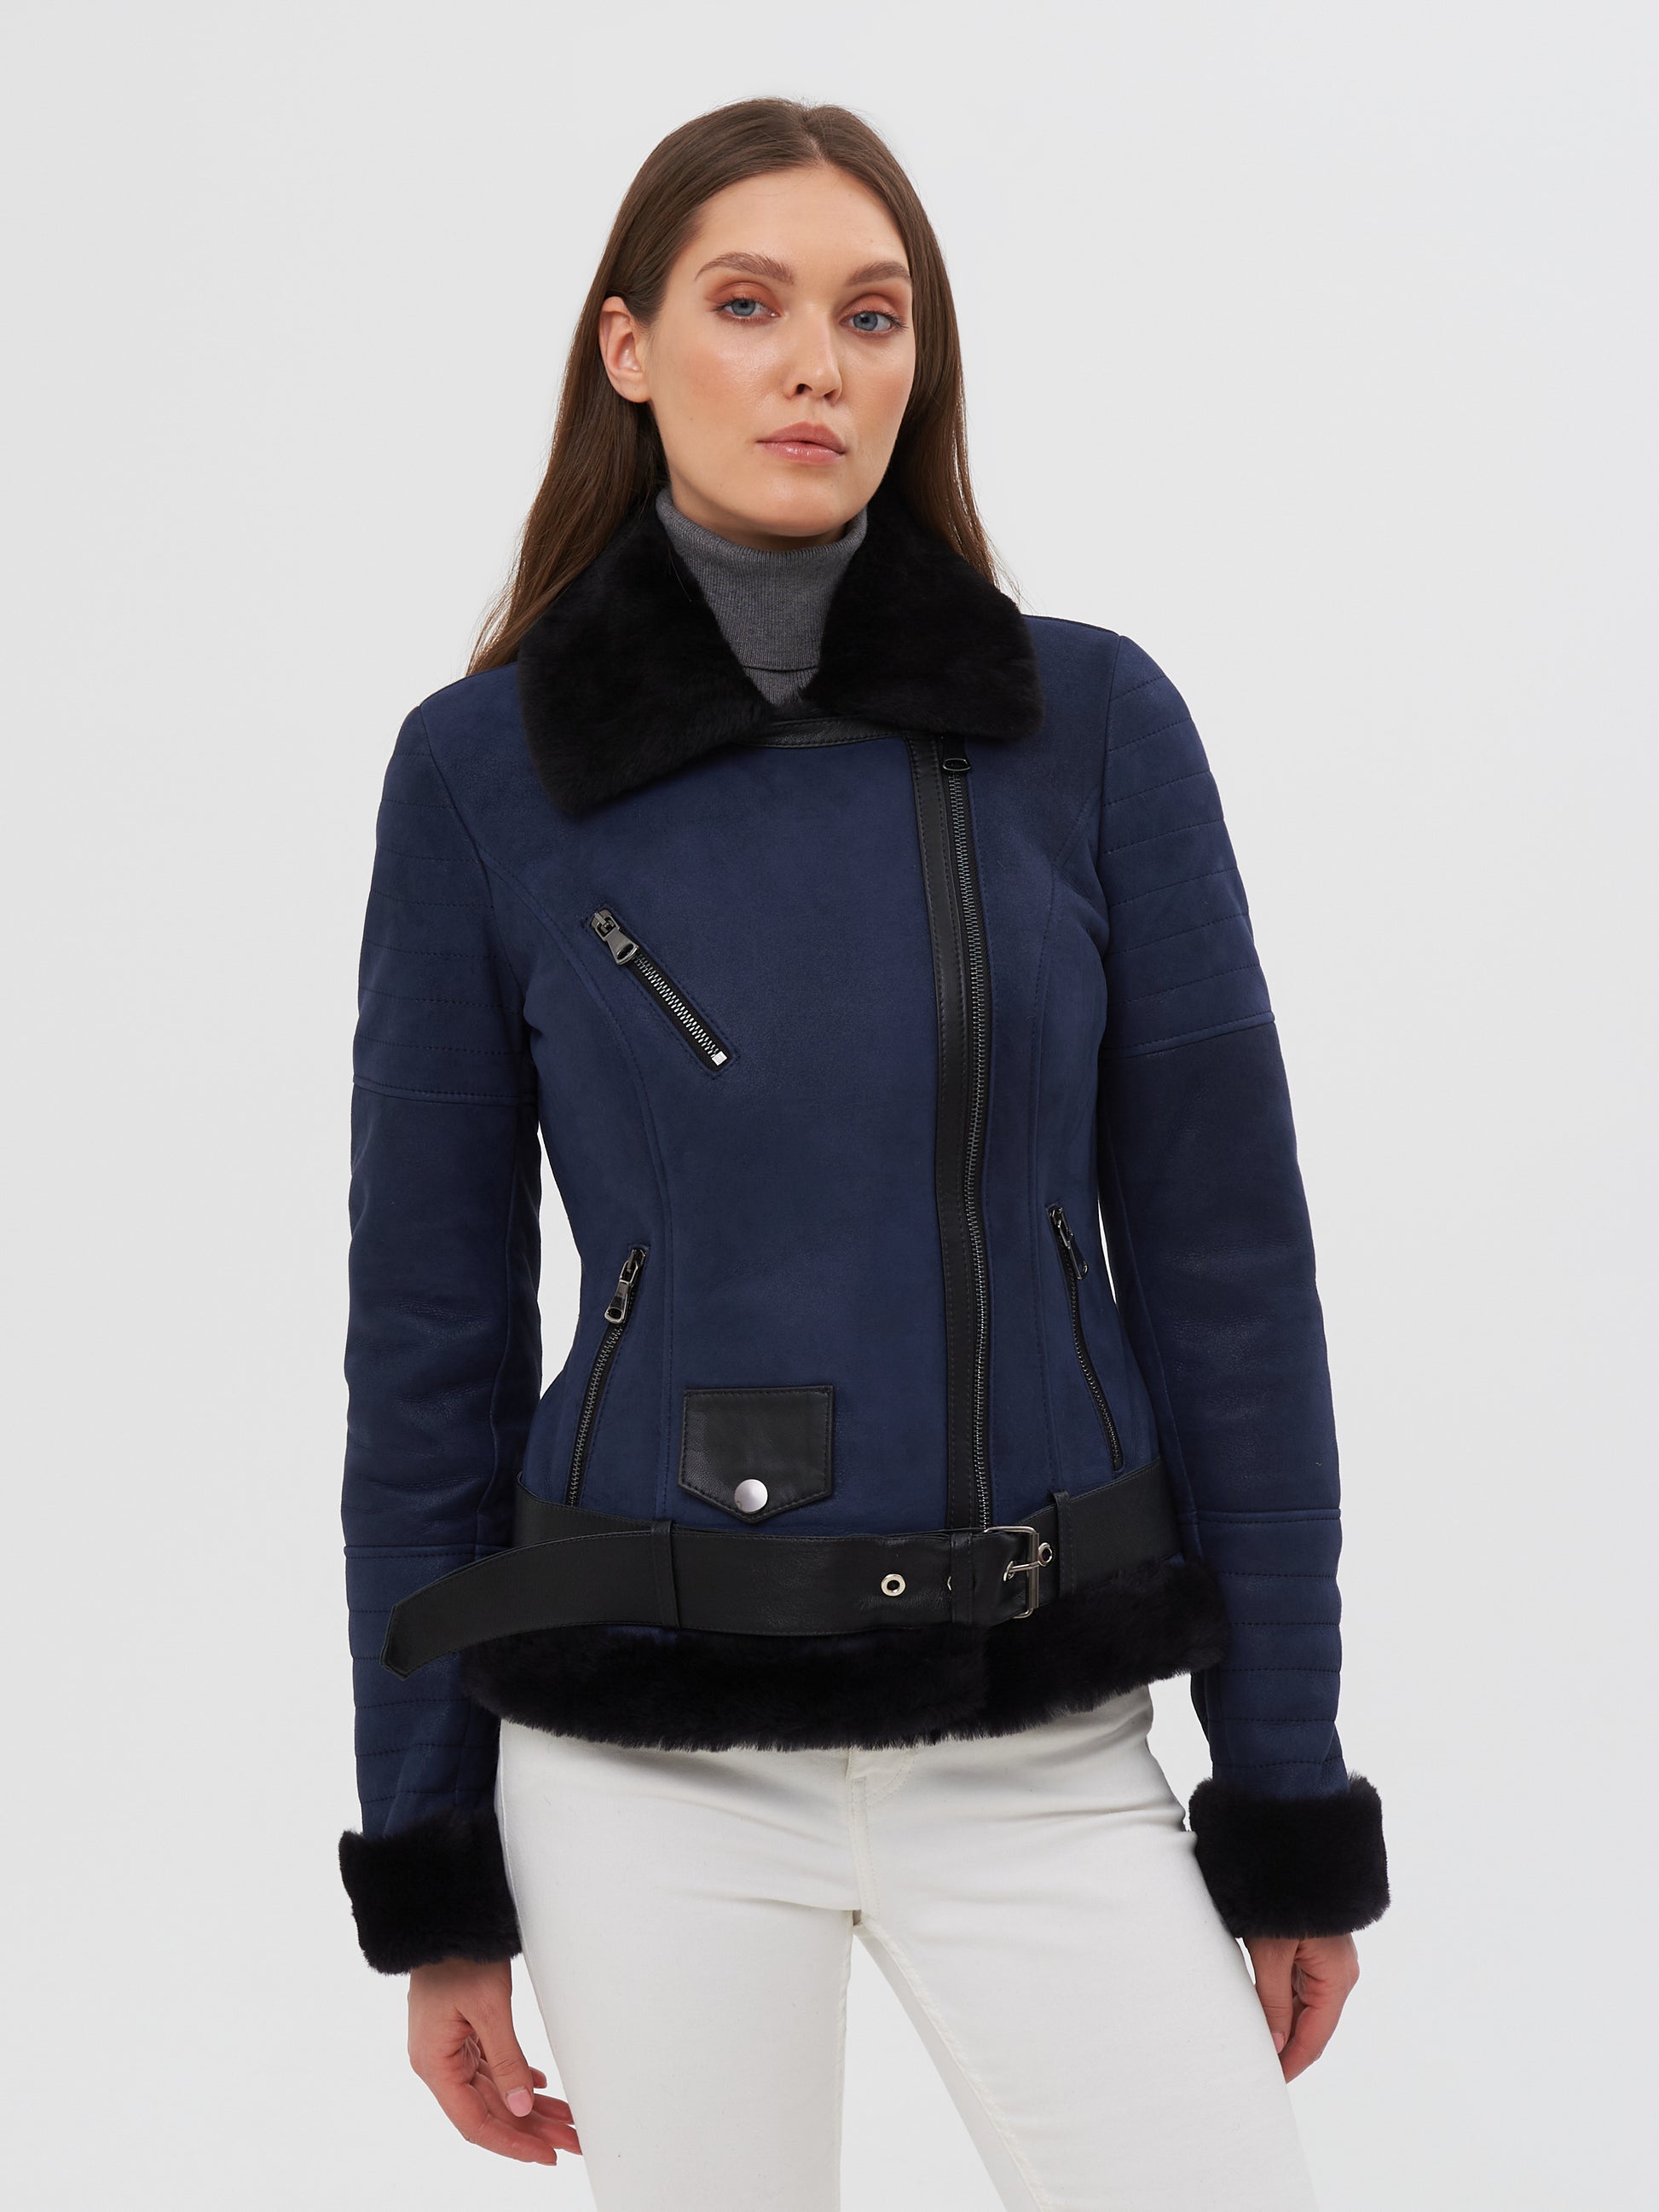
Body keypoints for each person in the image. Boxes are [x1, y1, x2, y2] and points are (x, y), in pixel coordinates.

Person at [336, 95, 1389, 2210]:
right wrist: (435, 1858)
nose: (817, 363)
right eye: (749, 304)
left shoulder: (1091, 731)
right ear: (628, 347)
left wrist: (1281, 1786)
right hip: (643, 1761)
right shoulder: (481, 774)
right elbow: (431, 1335)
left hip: (1042, 1733)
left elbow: (1229, 1283)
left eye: (873, 314)